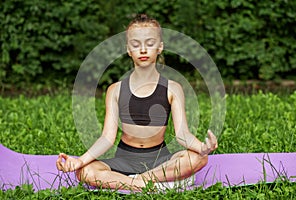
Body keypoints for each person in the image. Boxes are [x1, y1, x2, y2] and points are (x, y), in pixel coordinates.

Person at [56, 14, 218, 190]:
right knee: (85, 172)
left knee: (199, 158)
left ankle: (137, 181)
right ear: (128, 49)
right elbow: (107, 138)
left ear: (160, 47)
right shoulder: (115, 90)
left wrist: (203, 147)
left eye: (149, 43)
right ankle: (148, 185)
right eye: (135, 44)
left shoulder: (173, 88)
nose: (142, 50)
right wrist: (80, 160)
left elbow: (182, 134)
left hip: (159, 160)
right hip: (125, 160)